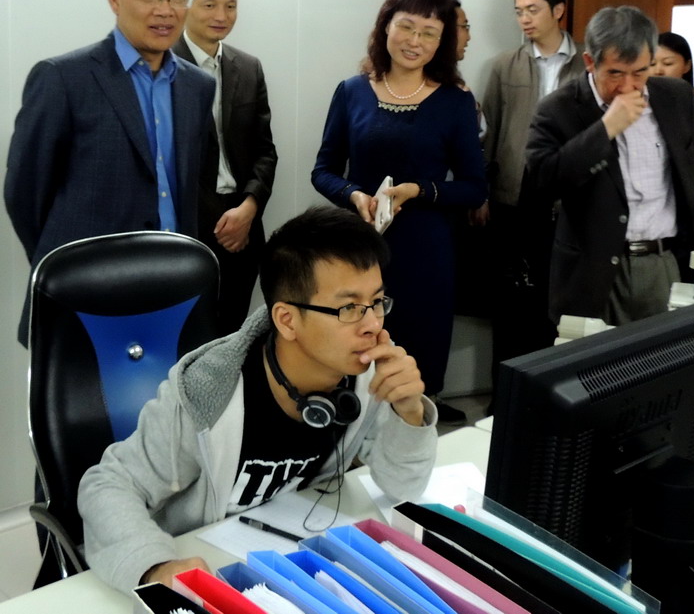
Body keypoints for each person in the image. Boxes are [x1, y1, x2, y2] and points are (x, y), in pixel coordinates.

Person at [78, 205, 438, 593]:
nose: (372, 324)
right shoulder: (210, 392)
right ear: (287, 320)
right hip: (206, 565)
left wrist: (410, 413)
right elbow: (108, 485)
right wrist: (155, 566)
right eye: (349, 308)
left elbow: (403, 488)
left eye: (377, 302)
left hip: (298, 563)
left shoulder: (367, 372)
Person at [4, 0, 215, 346]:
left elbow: (190, 189)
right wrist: (62, 264)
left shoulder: (198, 86)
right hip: (83, 294)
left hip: (173, 290)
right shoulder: (63, 78)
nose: (165, 10)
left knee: (168, 390)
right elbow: (24, 193)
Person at [312, 0, 486, 425]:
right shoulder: (352, 90)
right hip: (361, 249)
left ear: (442, 41)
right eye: (406, 26)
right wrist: (353, 194)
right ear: (386, 26)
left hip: (426, 255)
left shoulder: (456, 101)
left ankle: (410, 448)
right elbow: (323, 170)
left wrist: (420, 190)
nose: (415, 41)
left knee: (416, 367)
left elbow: (474, 188)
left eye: (429, 33)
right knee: (354, 356)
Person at [522, 6, 694, 326]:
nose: (628, 86)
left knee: (664, 355)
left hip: (662, 261)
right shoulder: (558, 109)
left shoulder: (675, 95)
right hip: (593, 268)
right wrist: (605, 129)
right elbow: (543, 181)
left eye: (639, 72)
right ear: (590, 61)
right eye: (615, 73)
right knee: (595, 357)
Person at [479, 0, 585, 379]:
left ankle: (548, 391)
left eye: (533, 9)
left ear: (558, 11)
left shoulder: (586, 64)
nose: (524, 18)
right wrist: (482, 193)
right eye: (519, 11)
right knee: (510, 304)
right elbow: (489, 131)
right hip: (513, 198)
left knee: (556, 304)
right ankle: (504, 395)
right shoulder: (506, 64)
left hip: (567, 202)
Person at [172, 0, 278, 335]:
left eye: (230, 6)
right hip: (186, 228)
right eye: (210, 4)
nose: (222, 16)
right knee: (185, 338)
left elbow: (265, 150)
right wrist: (216, 219)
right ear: (185, 3)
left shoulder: (248, 68)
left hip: (243, 228)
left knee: (232, 337)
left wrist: (248, 208)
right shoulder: (160, 68)